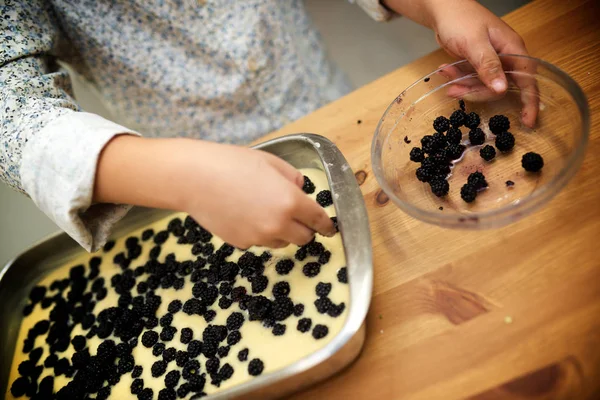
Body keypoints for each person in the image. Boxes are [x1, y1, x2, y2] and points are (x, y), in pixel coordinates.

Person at [0, 0, 529, 252]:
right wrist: (185, 177)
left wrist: (437, 4)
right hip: (199, 185)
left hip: (322, 101)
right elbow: (12, 110)